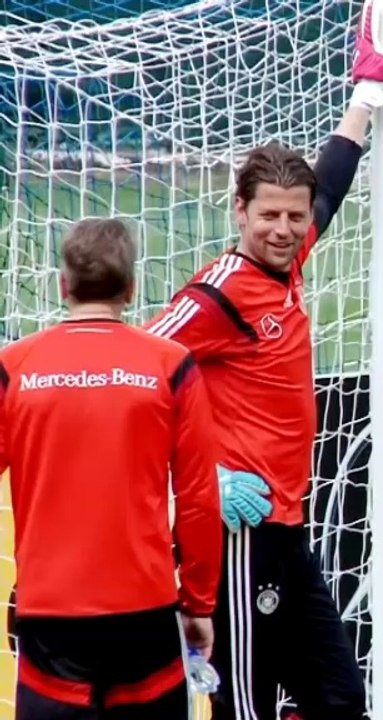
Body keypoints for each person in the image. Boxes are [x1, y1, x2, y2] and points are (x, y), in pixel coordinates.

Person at [143, 5, 383, 719]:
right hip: (238, 537)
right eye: (269, 216)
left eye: (295, 217)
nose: (287, 229)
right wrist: (205, 477)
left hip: (285, 529)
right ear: (240, 211)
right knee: (247, 706)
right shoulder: (220, 290)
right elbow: (135, 370)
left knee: (337, 697)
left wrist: (365, 95)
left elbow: (328, 184)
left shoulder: (285, 268)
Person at [0, 217, 223, 719]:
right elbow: (199, 500)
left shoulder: (15, 367)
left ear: (63, 285)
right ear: (131, 287)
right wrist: (200, 603)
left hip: (50, 613)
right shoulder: (172, 365)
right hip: (144, 611)